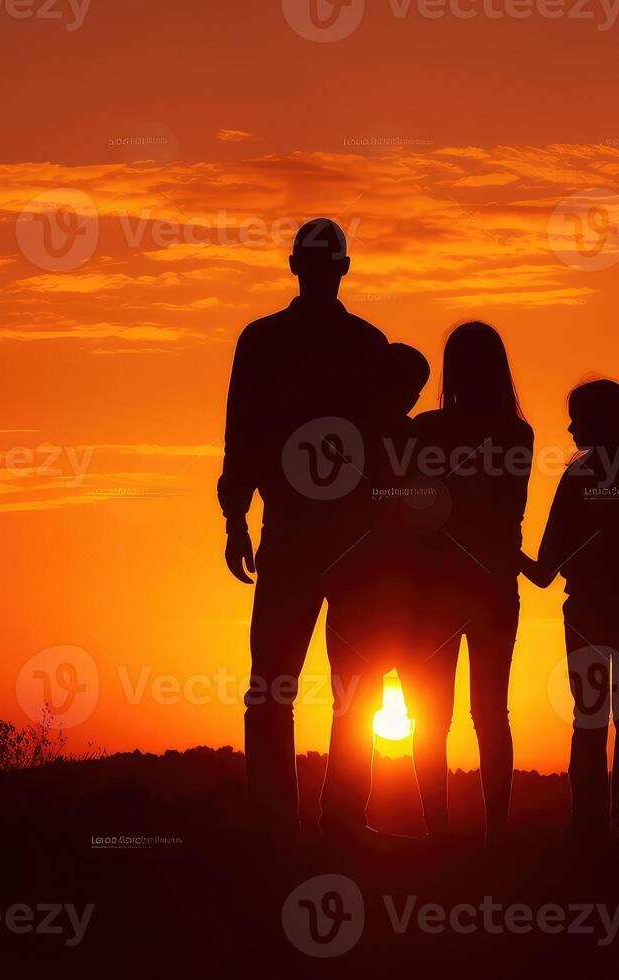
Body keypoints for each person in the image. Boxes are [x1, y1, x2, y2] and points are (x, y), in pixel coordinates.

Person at [217, 218, 387, 841]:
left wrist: (237, 518)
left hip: (333, 537)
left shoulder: (283, 341)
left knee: (332, 685)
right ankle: (298, 821)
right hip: (316, 536)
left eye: (322, 263)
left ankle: (317, 820)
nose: (318, 273)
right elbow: (243, 435)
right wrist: (236, 519)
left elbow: (244, 436)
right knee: (288, 686)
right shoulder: (354, 344)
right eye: (316, 264)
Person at [519, 378, 619, 843]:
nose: (570, 426)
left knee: (589, 717)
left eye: (578, 417)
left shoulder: (577, 479)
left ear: (600, 421)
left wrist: (503, 552)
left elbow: (545, 569)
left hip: (588, 609)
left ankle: (587, 825)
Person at [404, 322, 533, 843]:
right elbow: (512, 510)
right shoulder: (517, 434)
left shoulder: (425, 430)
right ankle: (496, 831)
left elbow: (414, 506)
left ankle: (437, 831)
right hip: (495, 584)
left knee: (432, 716)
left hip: (433, 588)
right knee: (491, 713)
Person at [320, 342, 431, 842]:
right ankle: (345, 817)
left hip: (387, 591)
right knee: (357, 709)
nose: (407, 400)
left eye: (413, 393)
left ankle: (352, 818)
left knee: (367, 709)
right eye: (404, 390)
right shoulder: (357, 437)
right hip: (371, 590)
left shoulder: (365, 435)